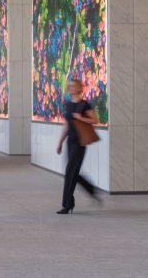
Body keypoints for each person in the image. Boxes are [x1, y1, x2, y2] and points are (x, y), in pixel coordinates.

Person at [55, 78, 100, 214]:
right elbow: (67, 124)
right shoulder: (68, 104)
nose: (71, 88)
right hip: (70, 141)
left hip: (80, 142)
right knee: (72, 172)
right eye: (69, 86)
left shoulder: (84, 104)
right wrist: (60, 142)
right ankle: (90, 189)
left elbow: (95, 120)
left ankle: (67, 204)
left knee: (70, 171)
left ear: (79, 88)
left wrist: (81, 118)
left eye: (74, 86)